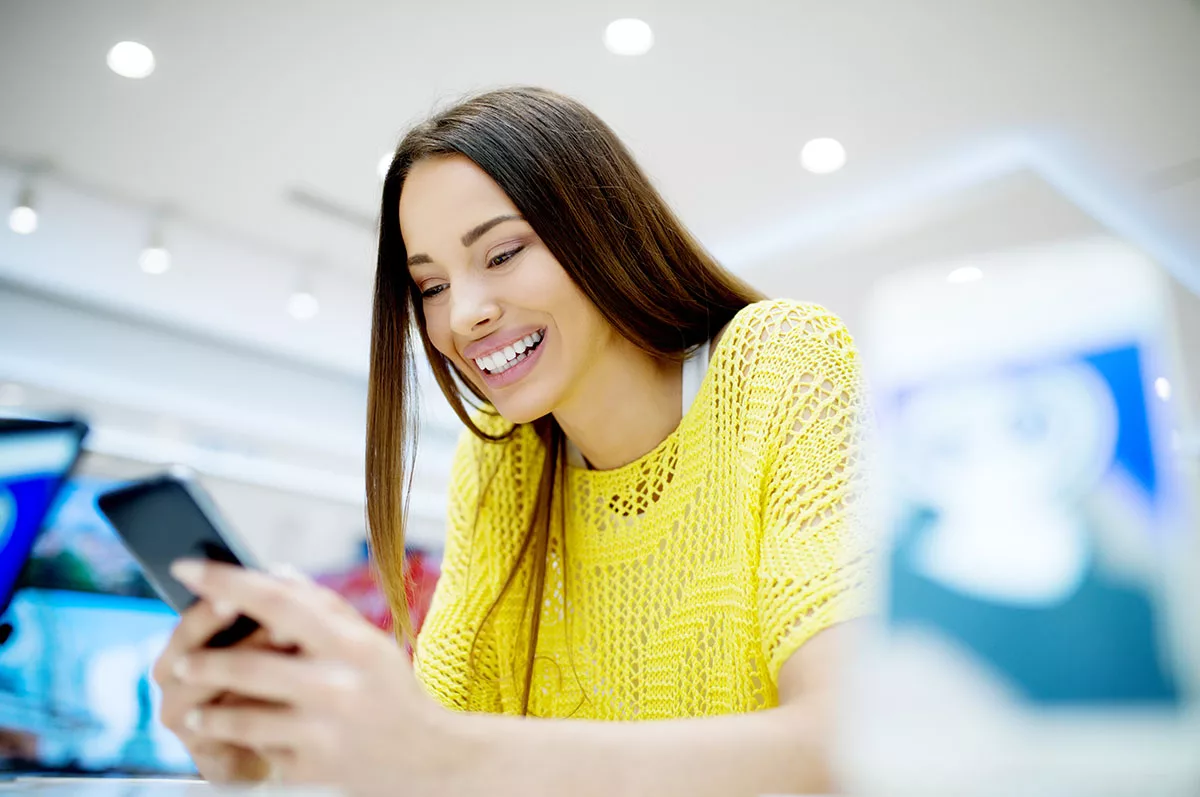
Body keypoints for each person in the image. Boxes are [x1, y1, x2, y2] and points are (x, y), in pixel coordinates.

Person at [150, 86, 871, 797]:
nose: (463, 316)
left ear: (603, 228)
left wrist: (437, 752)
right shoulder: (501, 460)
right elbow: (433, 750)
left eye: (500, 254)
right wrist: (270, 760)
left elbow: (848, 744)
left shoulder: (780, 361)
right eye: (429, 286)